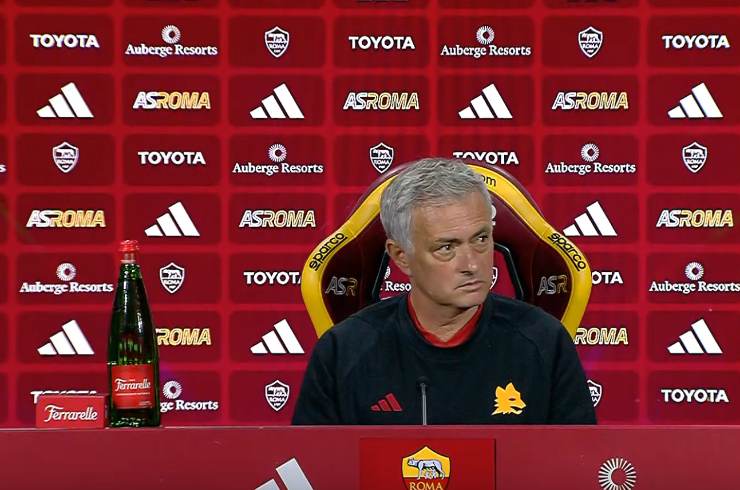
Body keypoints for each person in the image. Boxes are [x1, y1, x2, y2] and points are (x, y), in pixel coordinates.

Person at [292, 158, 596, 425]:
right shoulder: (342, 352)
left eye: (481, 239)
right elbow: (309, 466)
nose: (472, 265)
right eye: (447, 248)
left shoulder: (546, 343)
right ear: (401, 256)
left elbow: (579, 464)